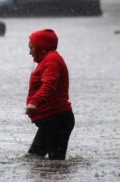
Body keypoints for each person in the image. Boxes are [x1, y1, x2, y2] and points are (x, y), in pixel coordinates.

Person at [25, 29, 75, 160]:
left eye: (31, 47)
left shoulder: (52, 60)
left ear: (41, 47)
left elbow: (49, 85)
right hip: (51, 120)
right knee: (34, 159)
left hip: (57, 119)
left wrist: (34, 102)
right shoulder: (47, 60)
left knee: (55, 163)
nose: (29, 52)